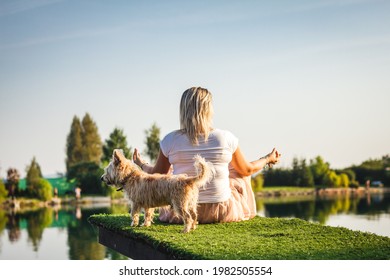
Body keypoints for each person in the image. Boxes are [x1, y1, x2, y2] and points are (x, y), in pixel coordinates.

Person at [133, 86, 281, 224]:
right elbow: (247, 169)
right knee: (238, 171)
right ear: (208, 110)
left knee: (170, 176)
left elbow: (156, 174)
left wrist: (140, 163)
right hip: (221, 211)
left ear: (183, 110)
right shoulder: (224, 138)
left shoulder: (170, 140)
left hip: (178, 214)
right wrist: (267, 158)